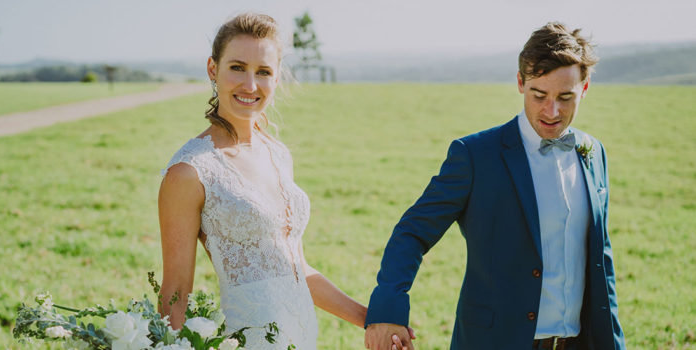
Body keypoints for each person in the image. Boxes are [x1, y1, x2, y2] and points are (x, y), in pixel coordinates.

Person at [364, 22, 627, 350]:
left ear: (584, 88)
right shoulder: (475, 156)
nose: (552, 111)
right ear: (520, 82)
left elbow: (601, 259)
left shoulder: (593, 153)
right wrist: (388, 309)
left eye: (565, 97)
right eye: (539, 95)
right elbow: (412, 232)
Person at [157, 13, 373, 349]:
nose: (250, 85)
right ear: (213, 69)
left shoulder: (278, 154)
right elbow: (175, 291)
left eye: (263, 72)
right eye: (237, 67)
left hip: (301, 337)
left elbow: (295, 268)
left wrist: (370, 319)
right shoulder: (190, 171)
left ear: (277, 77)